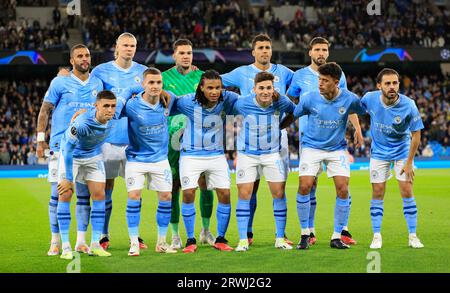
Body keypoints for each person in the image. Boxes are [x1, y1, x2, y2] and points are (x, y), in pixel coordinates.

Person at [281, 62, 366, 250]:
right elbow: (293, 116)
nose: (320, 83)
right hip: (312, 147)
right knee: (304, 186)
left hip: (337, 149)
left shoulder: (349, 99)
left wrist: (360, 129)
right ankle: (305, 233)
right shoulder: (310, 98)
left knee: (343, 189)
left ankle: (337, 236)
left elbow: (366, 111)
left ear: (336, 82)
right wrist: (277, 128)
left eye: (325, 81)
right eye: (319, 79)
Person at [221, 34, 294, 245]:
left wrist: (282, 125)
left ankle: (281, 235)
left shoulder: (284, 72)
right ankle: (247, 234)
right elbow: (216, 83)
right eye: (260, 47)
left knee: (278, 190)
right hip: (249, 140)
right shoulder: (241, 73)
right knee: (248, 190)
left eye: (268, 47)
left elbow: (297, 97)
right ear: (253, 51)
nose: (264, 51)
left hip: (276, 139)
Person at [36, 44, 103, 256]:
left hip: (88, 148)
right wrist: (40, 140)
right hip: (60, 147)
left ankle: (81, 241)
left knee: (84, 197)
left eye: (87, 55)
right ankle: (55, 241)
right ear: (71, 61)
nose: (84, 59)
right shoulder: (60, 81)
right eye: (79, 56)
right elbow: (45, 110)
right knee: (59, 194)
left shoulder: (97, 82)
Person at [89, 32, 148, 250]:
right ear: (117, 46)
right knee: (106, 188)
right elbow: (90, 96)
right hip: (107, 140)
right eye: (125, 45)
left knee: (136, 190)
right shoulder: (101, 71)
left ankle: (136, 235)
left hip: (134, 140)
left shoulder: (142, 72)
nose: (129, 49)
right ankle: (104, 235)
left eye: (133, 45)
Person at [171, 70, 237, 253]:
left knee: (225, 194)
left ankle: (221, 239)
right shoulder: (186, 101)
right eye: (210, 88)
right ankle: (190, 240)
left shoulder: (228, 98)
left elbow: (246, 104)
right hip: (190, 155)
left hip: (216, 155)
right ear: (201, 87)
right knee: (188, 193)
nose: (215, 92)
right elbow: (168, 102)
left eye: (218, 88)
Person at [361, 68, 424, 249]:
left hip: (402, 151)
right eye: (387, 83)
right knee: (378, 192)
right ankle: (376, 235)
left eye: (395, 83)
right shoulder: (369, 98)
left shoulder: (409, 104)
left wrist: (409, 162)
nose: (392, 87)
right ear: (379, 85)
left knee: (406, 190)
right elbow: (354, 108)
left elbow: (416, 135)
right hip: (379, 152)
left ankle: (413, 236)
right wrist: (358, 129)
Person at [162, 39, 216, 250]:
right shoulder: (163, 78)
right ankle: (175, 235)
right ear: (174, 55)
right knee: (174, 187)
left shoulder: (201, 77)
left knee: (205, 185)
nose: (186, 56)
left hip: (200, 140)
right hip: (172, 141)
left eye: (190, 53)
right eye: (182, 53)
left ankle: (205, 230)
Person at [232, 72, 295, 252]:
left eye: (268, 87)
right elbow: (226, 110)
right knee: (244, 195)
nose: (265, 91)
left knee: (279, 194)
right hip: (247, 154)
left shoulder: (281, 101)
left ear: (273, 89)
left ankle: (280, 238)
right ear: (254, 89)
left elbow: (293, 112)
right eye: (261, 88)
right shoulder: (243, 103)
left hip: (271, 154)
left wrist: (281, 125)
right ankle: (243, 240)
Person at [121, 68, 177, 256]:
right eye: (151, 83)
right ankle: (134, 242)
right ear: (143, 84)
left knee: (166, 198)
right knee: (134, 196)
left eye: (158, 83)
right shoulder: (130, 105)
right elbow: (110, 111)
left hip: (160, 159)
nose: (155, 86)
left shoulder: (169, 101)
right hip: (136, 159)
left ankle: (161, 242)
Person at [56, 90, 117, 260]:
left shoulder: (114, 115)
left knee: (99, 195)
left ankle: (96, 244)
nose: (110, 110)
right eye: (106, 106)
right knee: (65, 194)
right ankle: (66, 246)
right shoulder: (81, 123)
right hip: (72, 156)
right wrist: (68, 179)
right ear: (96, 106)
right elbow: (67, 149)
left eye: (113, 106)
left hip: (93, 156)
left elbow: (131, 90)